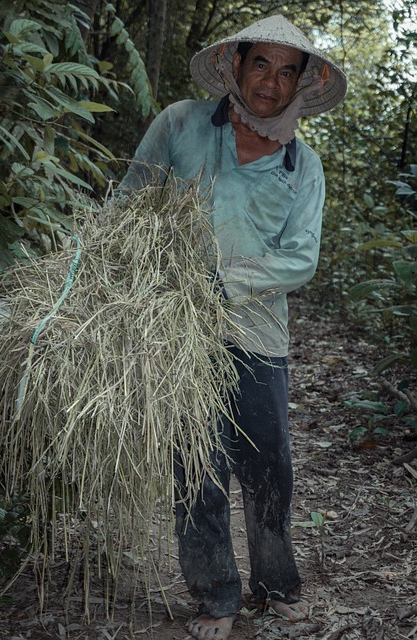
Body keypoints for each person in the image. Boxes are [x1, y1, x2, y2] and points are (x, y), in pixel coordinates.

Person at [116, 14, 347, 640]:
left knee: (269, 466)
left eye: (286, 71)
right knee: (195, 466)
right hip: (174, 331)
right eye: (260, 64)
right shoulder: (182, 124)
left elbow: (302, 256)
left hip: (256, 335)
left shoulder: (304, 165)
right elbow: (130, 202)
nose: (270, 81)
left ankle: (276, 582)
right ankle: (217, 596)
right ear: (235, 65)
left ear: (301, 85)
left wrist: (225, 284)